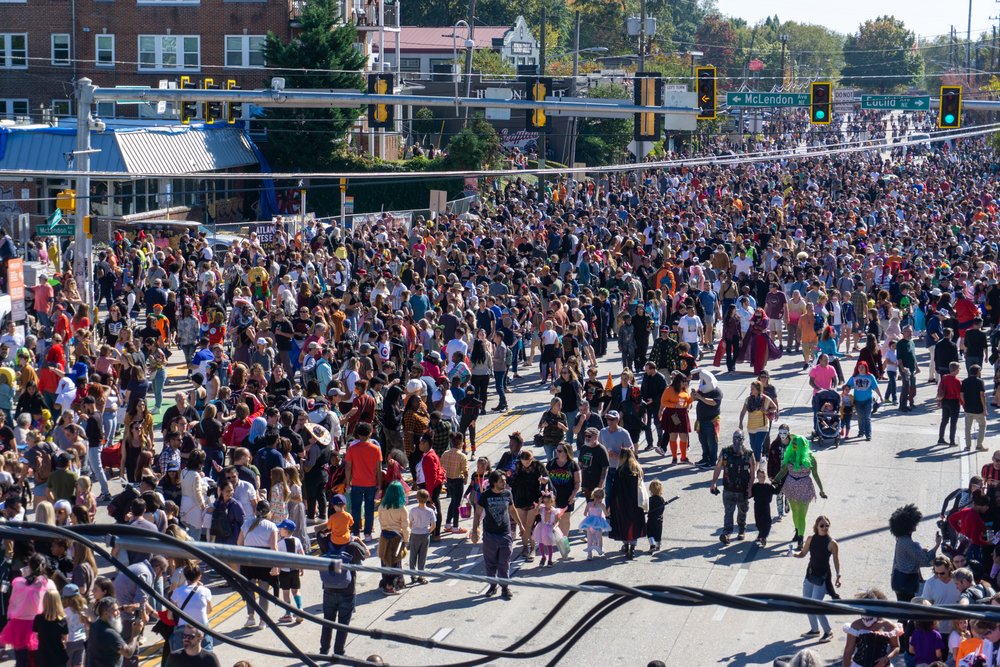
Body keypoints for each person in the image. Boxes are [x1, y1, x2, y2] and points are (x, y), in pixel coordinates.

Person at [470, 470, 525, 599]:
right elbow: (478, 513)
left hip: (505, 534)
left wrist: (521, 525)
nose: (504, 483)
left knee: (505, 562)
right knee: (491, 563)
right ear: (494, 483)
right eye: (502, 481)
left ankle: (505, 588)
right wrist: (474, 531)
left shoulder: (507, 493)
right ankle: (492, 586)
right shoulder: (485, 495)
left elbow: (512, 509)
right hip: (490, 535)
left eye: (505, 480)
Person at [318, 535, 370, 659]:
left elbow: (317, 530)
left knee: (327, 621)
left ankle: (323, 650)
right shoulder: (353, 546)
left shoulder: (326, 541)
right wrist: (359, 540)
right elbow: (367, 553)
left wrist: (330, 526)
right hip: (347, 591)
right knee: (343, 623)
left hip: (329, 589)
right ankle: (338, 652)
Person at [773, 434, 827, 549]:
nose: (793, 446)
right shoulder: (790, 455)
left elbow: (816, 475)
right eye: (793, 444)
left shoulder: (811, 458)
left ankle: (800, 539)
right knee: (795, 513)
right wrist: (775, 480)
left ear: (803, 445)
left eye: (796, 444)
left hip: (805, 489)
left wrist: (821, 490)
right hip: (790, 488)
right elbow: (783, 471)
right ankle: (797, 531)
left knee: (802, 515)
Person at [792, 515, 840, 643]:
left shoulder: (832, 543)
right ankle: (814, 630)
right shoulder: (810, 539)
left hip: (822, 579)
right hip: (810, 575)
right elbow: (802, 553)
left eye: (827, 525)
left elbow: (836, 560)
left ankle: (828, 631)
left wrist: (838, 575)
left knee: (816, 606)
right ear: (817, 527)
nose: (825, 528)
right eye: (822, 525)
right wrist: (793, 554)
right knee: (807, 604)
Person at [889, 503, 941, 602]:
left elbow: (912, 556)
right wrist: (937, 545)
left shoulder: (901, 539)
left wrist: (919, 552)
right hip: (906, 583)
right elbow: (925, 561)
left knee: (904, 610)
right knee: (908, 611)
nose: (916, 525)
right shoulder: (908, 543)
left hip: (899, 581)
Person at [710, 431, 755, 545]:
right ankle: (726, 533)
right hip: (729, 488)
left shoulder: (749, 454)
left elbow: (752, 473)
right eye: (735, 438)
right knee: (728, 512)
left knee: (742, 511)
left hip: (742, 490)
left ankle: (741, 529)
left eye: (739, 438)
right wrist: (714, 482)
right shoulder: (725, 452)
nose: (737, 440)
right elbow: (718, 467)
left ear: (743, 439)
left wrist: (750, 488)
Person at [841, 589, 900, 666]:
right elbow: (848, 652)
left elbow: (896, 647)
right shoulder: (856, 626)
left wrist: (886, 658)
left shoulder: (888, 626)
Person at [609, 448, 646, 560]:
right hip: (636, 502)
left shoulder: (620, 470)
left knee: (624, 523)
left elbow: (615, 488)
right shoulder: (637, 469)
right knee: (634, 524)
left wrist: (612, 502)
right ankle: (632, 547)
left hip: (623, 502)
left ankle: (626, 545)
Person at [85, 596, 144, 667]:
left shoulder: (96, 624)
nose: (119, 613)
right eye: (116, 610)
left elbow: (106, 611)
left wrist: (122, 608)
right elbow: (128, 653)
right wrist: (135, 633)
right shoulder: (110, 634)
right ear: (105, 613)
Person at [691, 369, 722, 468]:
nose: (702, 383)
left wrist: (700, 398)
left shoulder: (717, 392)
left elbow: (713, 402)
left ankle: (712, 461)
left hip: (711, 421)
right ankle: (705, 458)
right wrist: (694, 395)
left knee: (711, 442)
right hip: (701, 420)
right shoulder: (702, 390)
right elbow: (695, 398)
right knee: (703, 441)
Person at [846, 361, 882, 442]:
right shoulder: (854, 377)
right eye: (859, 367)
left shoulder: (870, 377)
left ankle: (868, 434)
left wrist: (880, 396)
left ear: (866, 368)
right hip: (857, 401)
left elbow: (876, 387)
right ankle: (861, 432)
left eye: (862, 367)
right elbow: (847, 386)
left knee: (867, 417)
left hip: (868, 400)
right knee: (860, 417)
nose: (860, 369)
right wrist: (844, 394)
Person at [580, 488, 611, 560]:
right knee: (599, 538)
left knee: (589, 538)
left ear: (593, 495)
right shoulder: (602, 505)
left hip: (589, 524)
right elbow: (607, 514)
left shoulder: (589, 504)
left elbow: (585, 514)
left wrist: (590, 516)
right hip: (598, 525)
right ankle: (600, 550)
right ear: (602, 497)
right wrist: (609, 510)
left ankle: (589, 554)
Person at [962, 364, 988, 451]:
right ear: (977, 372)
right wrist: (984, 408)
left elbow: (961, 394)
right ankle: (979, 445)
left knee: (967, 428)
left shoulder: (965, 381)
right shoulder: (980, 381)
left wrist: (965, 404)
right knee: (982, 425)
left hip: (968, 408)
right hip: (978, 409)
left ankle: (968, 446)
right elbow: (982, 395)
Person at [936, 361, 962, 447]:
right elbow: (959, 394)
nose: (959, 370)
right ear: (956, 370)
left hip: (945, 401)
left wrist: (939, 401)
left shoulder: (944, 377)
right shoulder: (957, 381)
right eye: (959, 369)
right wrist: (963, 404)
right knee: (953, 422)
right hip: (954, 402)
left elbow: (940, 389)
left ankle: (941, 438)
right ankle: (952, 441)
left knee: (944, 420)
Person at [751, 468, 775, 547]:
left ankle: (764, 536)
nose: (762, 478)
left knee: (767, 522)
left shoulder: (768, 486)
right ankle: (761, 534)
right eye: (760, 476)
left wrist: (776, 483)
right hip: (757, 506)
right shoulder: (755, 486)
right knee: (758, 522)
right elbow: (749, 495)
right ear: (757, 477)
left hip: (766, 506)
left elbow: (776, 491)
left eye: (763, 476)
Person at [645, 479, 665, 553]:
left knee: (650, 532)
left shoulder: (649, 500)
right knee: (658, 532)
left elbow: (646, 509)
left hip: (651, 519)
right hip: (659, 519)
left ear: (650, 489)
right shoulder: (661, 499)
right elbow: (662, 509)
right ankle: (658, 544)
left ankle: (652, 545)